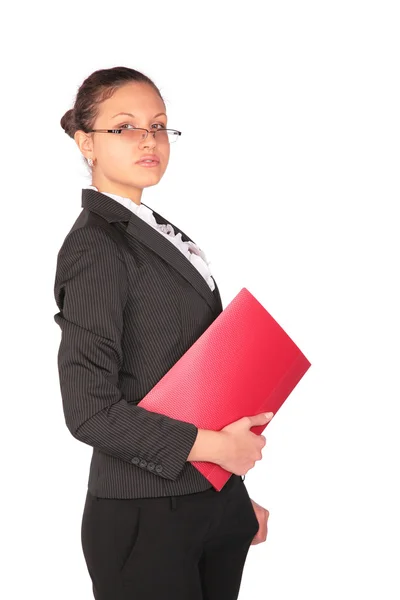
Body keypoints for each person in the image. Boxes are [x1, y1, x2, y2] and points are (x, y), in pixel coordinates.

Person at [54, 65, 273, 600]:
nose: (148, 139)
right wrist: (218, 449)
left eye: (158, 125)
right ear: (87, 142)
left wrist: (231, 497)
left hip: (208, 502)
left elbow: (190, 374)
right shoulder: (96, 248)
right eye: (124, 126)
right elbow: (89, 411)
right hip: (144, 518)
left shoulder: (157, 232)